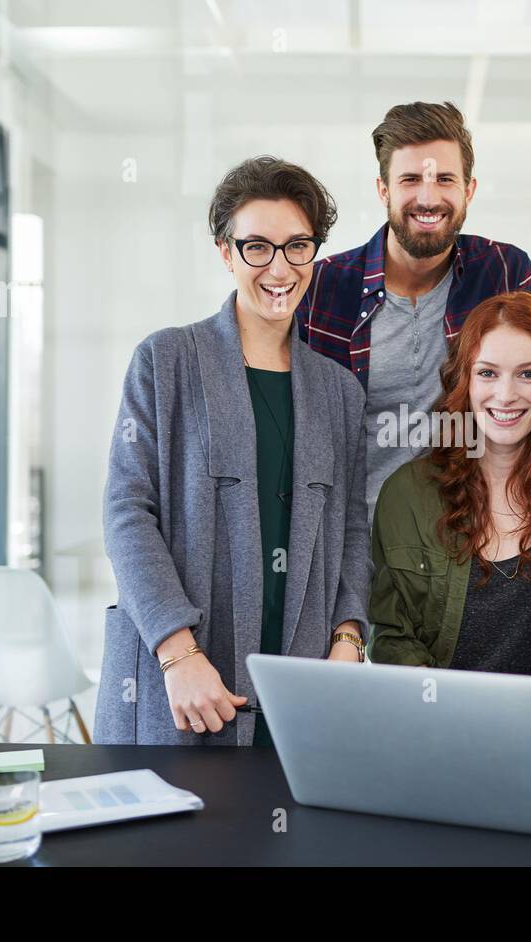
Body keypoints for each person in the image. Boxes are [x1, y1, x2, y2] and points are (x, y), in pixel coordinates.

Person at [96, 156, 371, 746]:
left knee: (289, 832)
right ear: (226, 252)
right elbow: (127, 512)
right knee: (176, 835)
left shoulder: (339, 391)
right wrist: (177, 651)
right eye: (257, 247)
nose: (280, 267)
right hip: (189, 682)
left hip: (300, 684)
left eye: (298, 246)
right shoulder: (165, 361)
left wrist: (349, 638)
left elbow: (352, 530)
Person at [368, 291, 531, 774]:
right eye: (488, 373)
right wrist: (450, 732)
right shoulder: (406, 493)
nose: (506, 395)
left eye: (528, 373)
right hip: (436, 738)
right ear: (464, 379)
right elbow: (394, 639)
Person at [295, 101, 531, 516]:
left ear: (469, 190)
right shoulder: (320, 288)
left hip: (468, 541)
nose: (428, 198)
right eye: (410, 179)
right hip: (353, 550)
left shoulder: (503, 272)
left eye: (444, 179)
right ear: (383, 190)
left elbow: (529, 405)